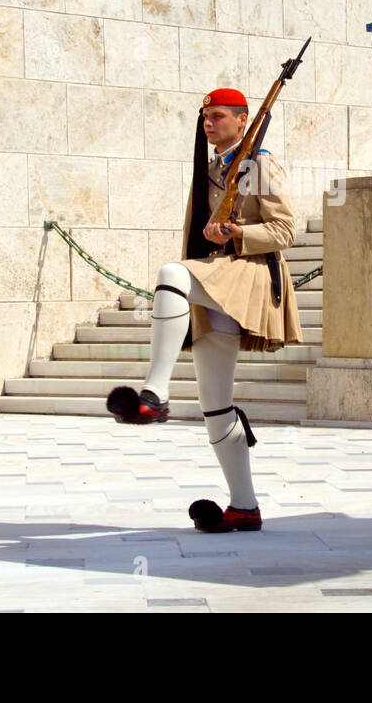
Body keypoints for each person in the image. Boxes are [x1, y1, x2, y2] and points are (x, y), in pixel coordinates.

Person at [105, 87, 302, 532]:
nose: (208, 124)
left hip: (249, 277)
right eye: (205, 117)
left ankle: (154, 395)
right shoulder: (215, 167)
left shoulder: (258, 164)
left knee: (171, 275)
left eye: (217, 116)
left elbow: (286, 230)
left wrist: (235, 233)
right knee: (216, 403)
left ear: (242, 120)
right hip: (219, 278)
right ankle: (245, 506)